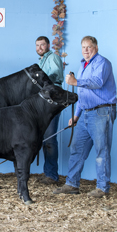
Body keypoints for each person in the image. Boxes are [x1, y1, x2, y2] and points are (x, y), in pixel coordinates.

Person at [54, 36, 117, 198]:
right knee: (77, 149)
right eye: (83, 47)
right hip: (86, 113)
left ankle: (102, 188)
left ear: (96, 47)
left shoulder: (103, 63)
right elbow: (82, 94)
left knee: (101, 150)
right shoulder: (83, 64)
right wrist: (76, 116)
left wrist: (75, 82)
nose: (86, 50)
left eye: (89, 47)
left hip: (102, 112)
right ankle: (72, 184)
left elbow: (97, 82)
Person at [35, 36, 64, 185]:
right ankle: (49, 173)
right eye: (37, 45)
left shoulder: (52, 57)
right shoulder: (42, 61)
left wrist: (39, 81)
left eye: (42, 45)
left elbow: (56, 75)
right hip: (44, 102)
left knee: (50, 139)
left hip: (52, 100)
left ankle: (52, 175)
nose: (40, 48)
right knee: (45, 138)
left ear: (48, 45)